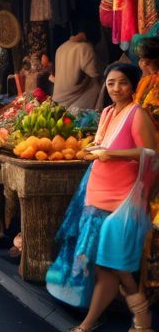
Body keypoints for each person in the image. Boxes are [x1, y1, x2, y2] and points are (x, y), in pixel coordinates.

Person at [49, 63, 156, 332]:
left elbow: (151, 154)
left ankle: (124, 316)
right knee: (102, 263)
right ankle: (133, 317)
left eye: (122, 83)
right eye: (110, 83)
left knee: (111, 261)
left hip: (122, 199)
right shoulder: (108, 112)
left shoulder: (137, 114)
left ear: (132, 85)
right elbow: (102, 144)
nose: (116, 89)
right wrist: (90, 150)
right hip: (96, 194)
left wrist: (112, 154)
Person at [54, 27, 102, 110]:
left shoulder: (61, 47)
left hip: (57, 99)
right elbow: (95, 77)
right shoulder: (85, 47)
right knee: (99, 87)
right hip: (73, 101)